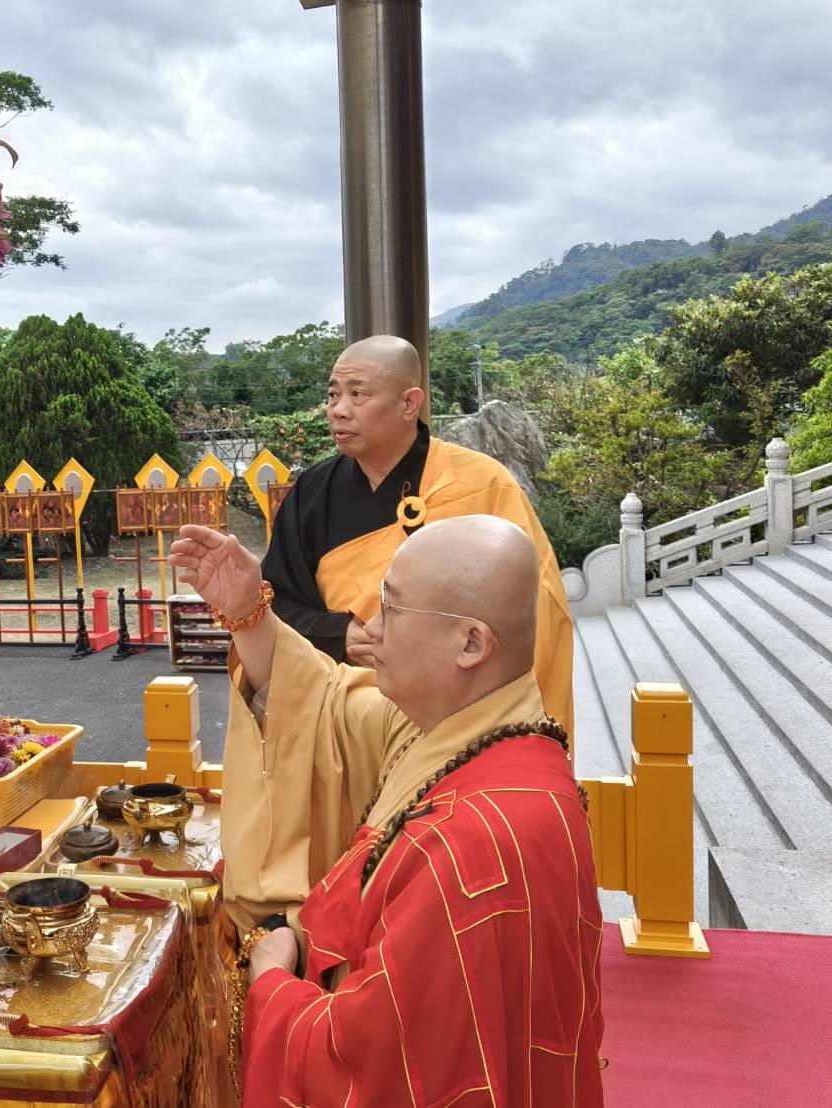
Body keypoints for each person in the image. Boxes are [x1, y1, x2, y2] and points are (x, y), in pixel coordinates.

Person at [169, 516, 603, 1107]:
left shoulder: (468, 845)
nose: (369, 628)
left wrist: (271, 980)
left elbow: (368, 1064)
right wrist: (249, 612)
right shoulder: (476, 731)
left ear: (471, 644)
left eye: (392, 609)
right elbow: (320, 704)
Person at [260, 335, 574, 733]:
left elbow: (534, 606)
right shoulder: (312, 493)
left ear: (409, 403)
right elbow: (275, 599)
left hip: (462, 720)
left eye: (358, 394)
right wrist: (339, 633)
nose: (338, 410)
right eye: (333, 395)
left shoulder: (480, 484)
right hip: (349, 716)